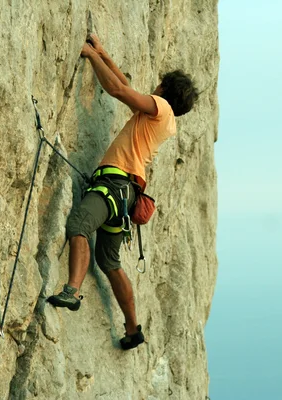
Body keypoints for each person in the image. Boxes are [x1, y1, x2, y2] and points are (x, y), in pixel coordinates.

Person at [47, 34, 199, 350]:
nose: (154, 88)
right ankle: (133, 329)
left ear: (164, 91)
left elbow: (118, 90)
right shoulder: (163, 119)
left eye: (158, 85)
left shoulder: (160, 108)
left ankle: (72, 291)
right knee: (109, 262)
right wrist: (103, 53)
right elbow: (126, 84)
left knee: (78, 226)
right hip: (127, 195)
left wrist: (89, 55)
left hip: (113, 185)